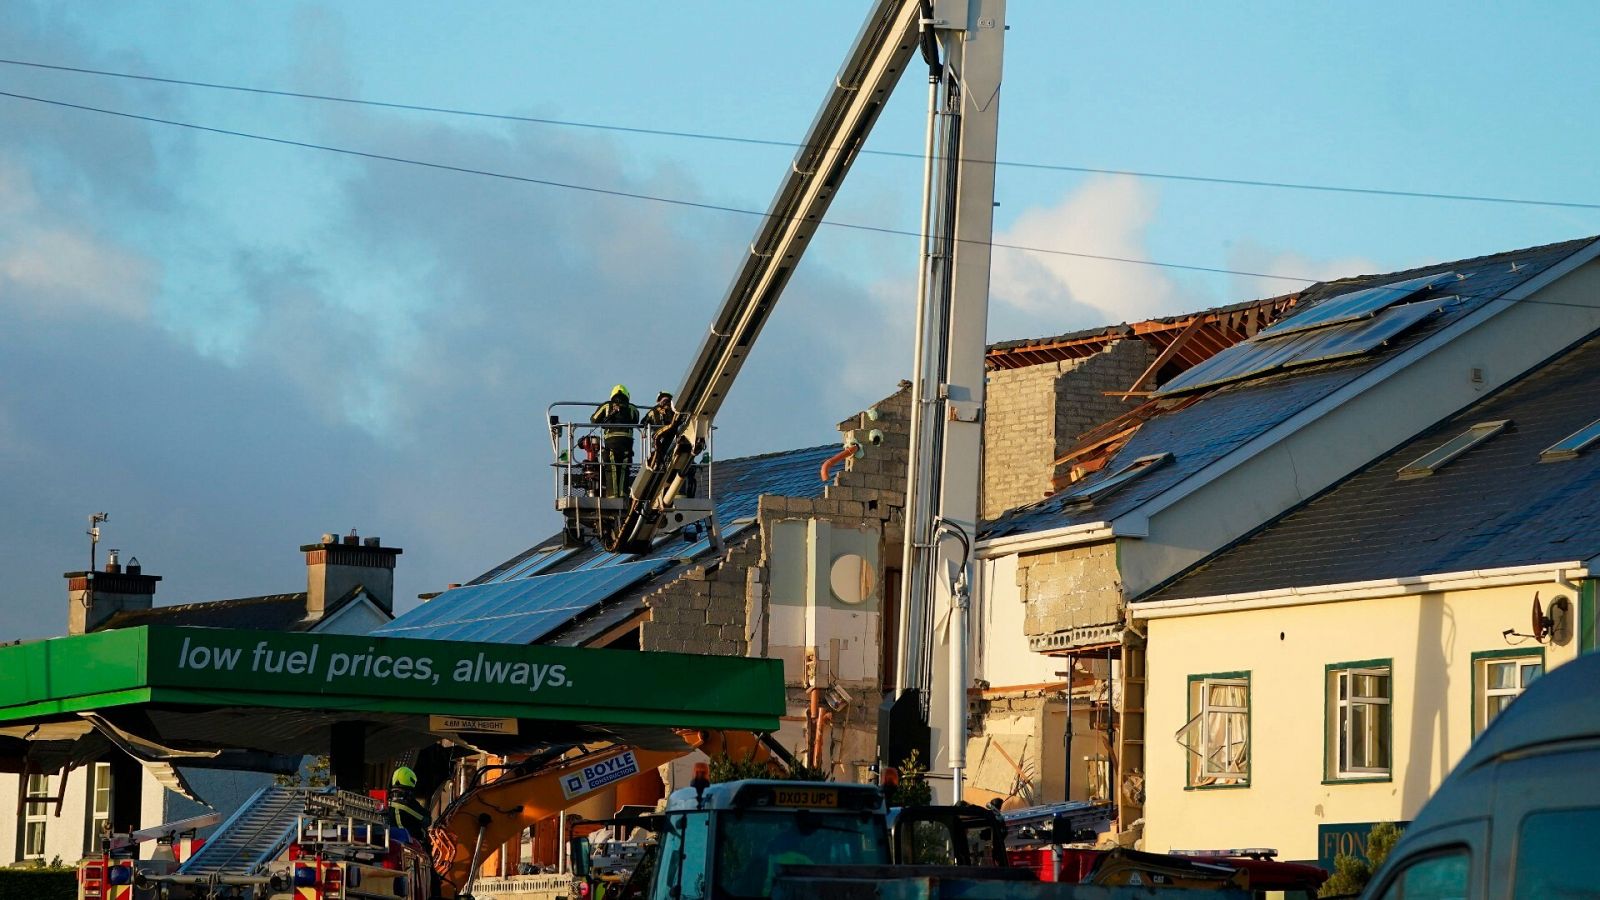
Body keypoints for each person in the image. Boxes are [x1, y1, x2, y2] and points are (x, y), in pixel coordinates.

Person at [591, 385, 640, 498]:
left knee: (611, 467)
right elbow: (636, 420)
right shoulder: (632, 408)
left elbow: (593, 420)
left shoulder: (607, 406)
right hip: (627, 442)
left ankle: (613, 496)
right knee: (624, 467)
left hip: (611, 441)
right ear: (627, 395)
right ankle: (623, 495)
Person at [386, 766, 430, 834]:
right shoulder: (408, 803)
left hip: (393, 839)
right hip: (410, 841)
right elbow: (426, 820)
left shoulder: (388, 800)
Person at [642, 391, 677, 467]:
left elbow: (643, 422)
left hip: (662, 439)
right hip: (666, 439)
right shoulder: (675, 410)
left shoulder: (653, 411)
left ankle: (659, 461)